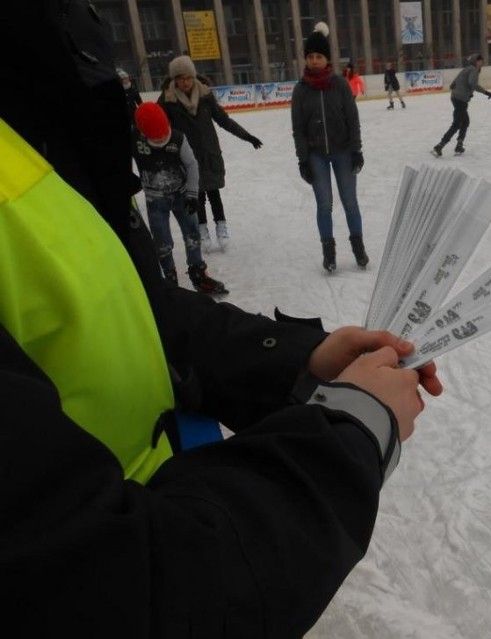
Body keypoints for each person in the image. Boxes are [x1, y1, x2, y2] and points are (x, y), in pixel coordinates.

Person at [0, 2, 443, 637]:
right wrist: (351, 428)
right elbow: (111, 587)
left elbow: (131, 304)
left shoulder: (27, 126)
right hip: (168, 540)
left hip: (171, 475)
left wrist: (297, 357)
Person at [159, 55, 263, 251]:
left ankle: (221, 226)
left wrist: (248, 137)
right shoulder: (167, 101)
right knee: (197, 195)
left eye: (188, 77)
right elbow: (162, 130)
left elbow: (224, 120)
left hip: (209, 153)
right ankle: (203, 229)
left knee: (214, 193)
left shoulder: (205, 96)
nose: (185, 82)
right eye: (180, 79)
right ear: (174, 80)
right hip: (186, 157)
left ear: (193, 76)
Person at [291, 22, 369, 273]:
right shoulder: (301, 90)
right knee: (324, 204)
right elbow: (298, 129)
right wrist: (303, 160)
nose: (314, 61)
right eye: (310, 57)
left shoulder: (340, 84)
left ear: (327, 59)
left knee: (350, 202)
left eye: (319, 56)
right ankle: (329, 253)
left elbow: (352, 118)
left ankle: (358, 248)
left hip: (343, 150)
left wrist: (356, 150)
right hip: (316, 155)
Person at [132, 101, 226, 293]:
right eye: (156, 140)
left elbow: (192, 165)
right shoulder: (134, 139)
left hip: (182, 196)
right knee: (162, 241)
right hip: (155, 201)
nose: (161, 141)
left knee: (192, 234)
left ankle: (198, 273)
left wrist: (192, 194)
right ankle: (169, 280)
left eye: (163, 136)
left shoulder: (177, 138)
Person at [431, 53, 491, 157]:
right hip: (460, 99)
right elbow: (472, 83)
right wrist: (485, 92)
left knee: (465, 122)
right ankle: (439, 146)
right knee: (456, 124)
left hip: (456, 97)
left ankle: (459, 145)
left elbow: (454, 83)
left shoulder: (467, 68)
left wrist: (466, 92)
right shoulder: (473, 70)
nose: (481, 63)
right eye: (480, 61)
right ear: (476, 61)